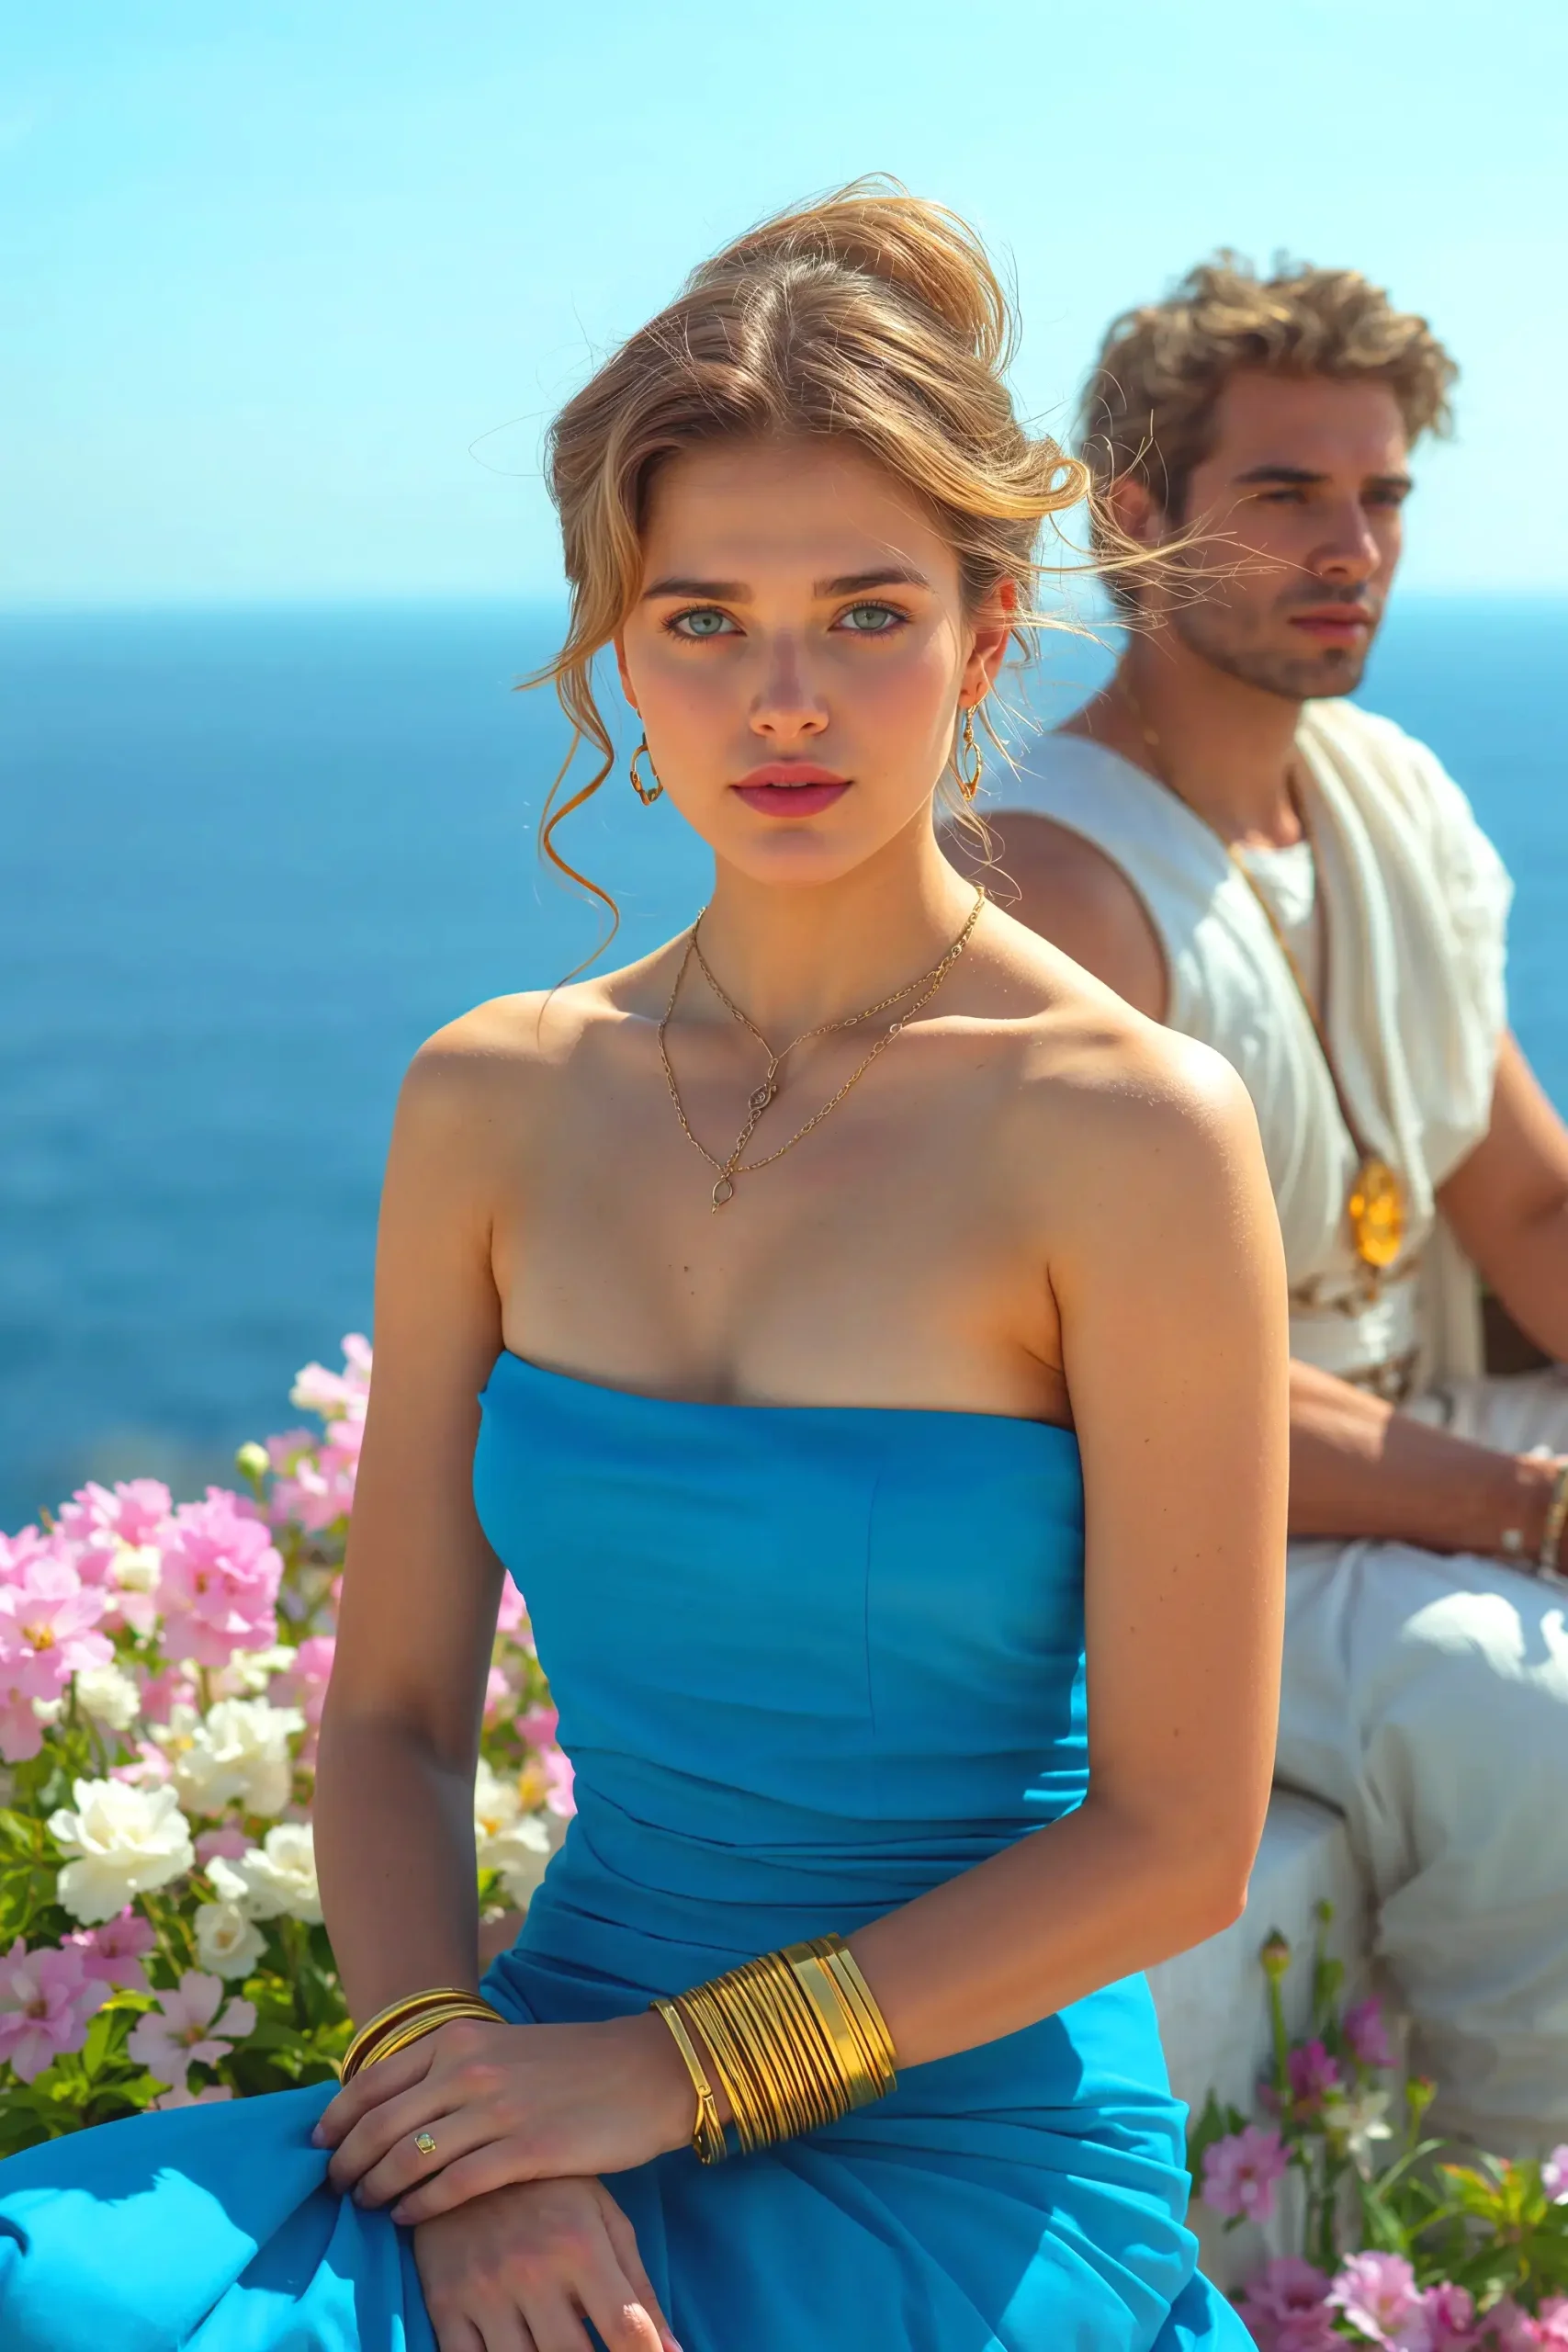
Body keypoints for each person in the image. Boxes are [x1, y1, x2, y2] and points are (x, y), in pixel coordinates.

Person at [0, 189, 1286, 2352]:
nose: (780, 700)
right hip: (532, 2057)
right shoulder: (490, 1097)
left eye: (863, 613)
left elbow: (1174, 1839)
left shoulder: (1130, 1127)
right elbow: (396, 1714)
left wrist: (654, 2084)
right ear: (617, 645)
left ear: (982, 641)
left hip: (957, 2139)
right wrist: (466, 2118)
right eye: (703, 619)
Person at [973, 253, 1568, 2156]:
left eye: (1380, 493)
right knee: (1515, 1707)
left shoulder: (1380, 793)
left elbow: (1527, 1206)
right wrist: (1532, 1508)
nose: (1350, 545)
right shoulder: (1053, 886)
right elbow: (1124, 1388)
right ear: (1132, 519)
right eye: (1285, 493)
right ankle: (1505, 2217)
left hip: (1398, 1425)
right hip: (1173, 1523)